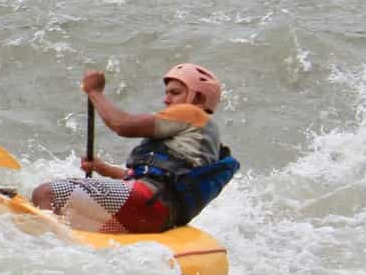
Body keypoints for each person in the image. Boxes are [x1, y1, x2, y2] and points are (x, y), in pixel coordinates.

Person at [30, 65, 238, 233]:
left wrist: (94, 92)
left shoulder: (191, 114)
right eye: (166, 93)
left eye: (175, 93)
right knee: (70, 214)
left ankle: (46, 247)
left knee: (46, 193)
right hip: (159, 215)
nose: (166, 100)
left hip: (147, 202)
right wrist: (103, 169)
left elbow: (123, 125)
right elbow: (158, 178)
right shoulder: (204, 139)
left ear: (198, 98)